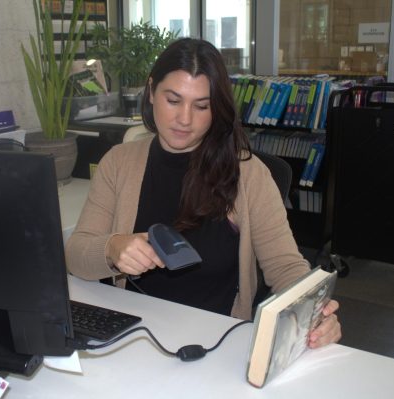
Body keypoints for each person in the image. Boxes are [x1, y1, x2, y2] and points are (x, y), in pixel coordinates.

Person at [66, 38, 341, 348]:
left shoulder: (248, 175)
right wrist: (113, 248)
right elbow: (76, 255)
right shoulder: (118, 163)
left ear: (217, 108)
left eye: (202, 105)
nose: (185, 119)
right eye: (173, 100)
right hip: (133, 337)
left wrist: (313, 309)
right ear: (152, 91)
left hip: (217, 342)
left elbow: (285, 265)